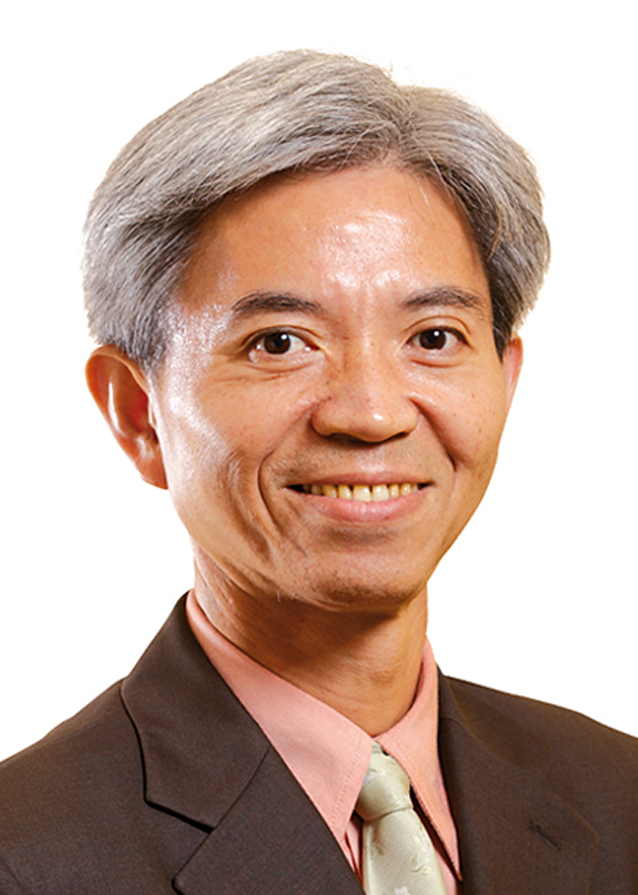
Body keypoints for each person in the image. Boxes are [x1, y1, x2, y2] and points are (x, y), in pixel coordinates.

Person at [0, 49, 636, 895]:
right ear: (136, 412)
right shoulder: (28, 852)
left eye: (434, 338)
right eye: (279, 343)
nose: (371, 414)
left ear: (504, 377)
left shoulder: (618, 795)